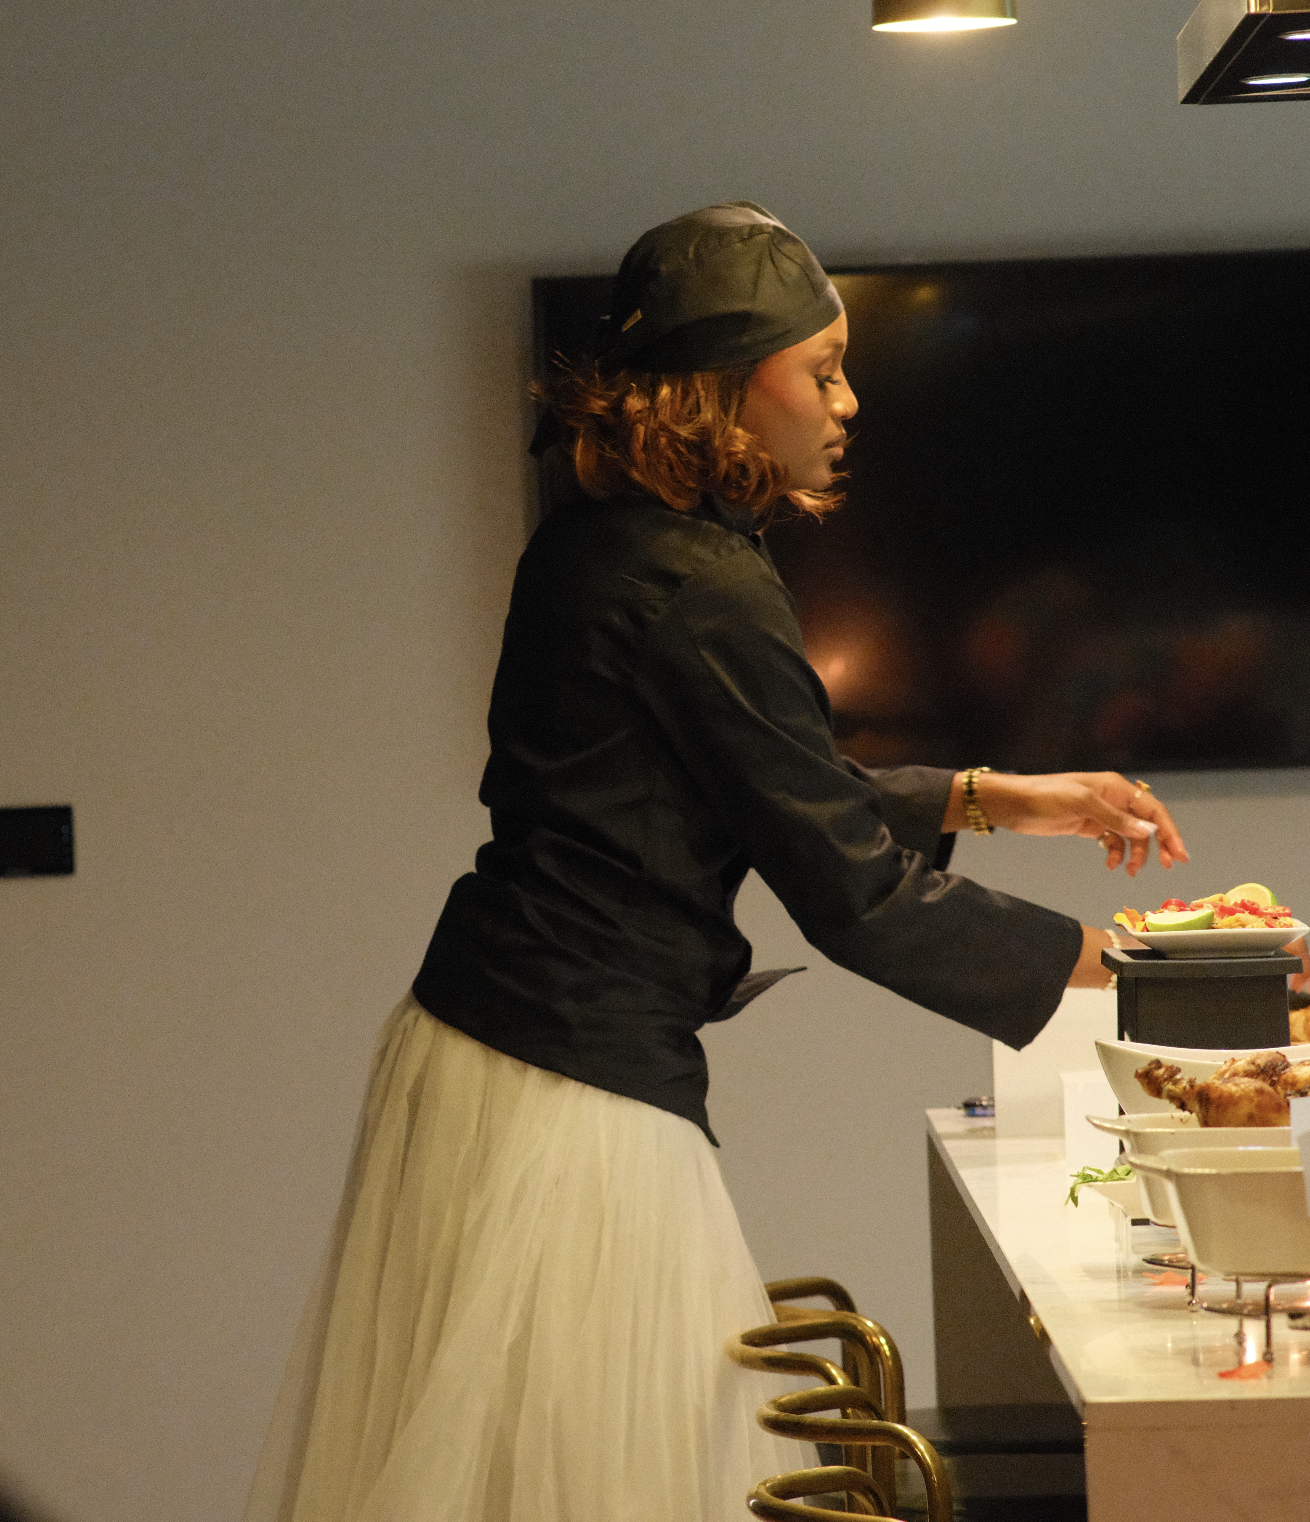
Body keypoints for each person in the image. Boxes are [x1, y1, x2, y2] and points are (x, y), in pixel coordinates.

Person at [244, 202, 1189, 1522]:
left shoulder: (602, 537)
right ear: (727, 388)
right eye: (822, 370)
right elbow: (848, 889)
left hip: (482, 1039)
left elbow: (740, 779)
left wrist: (988, 793)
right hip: (574, 1083)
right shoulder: (703, 584)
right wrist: (1130, 966)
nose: (849, 401)